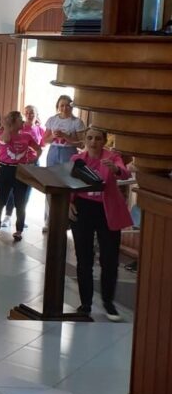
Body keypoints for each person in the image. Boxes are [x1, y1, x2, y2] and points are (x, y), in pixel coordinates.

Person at [70, 126, 130, 321]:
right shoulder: (77, 160)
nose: (93, 142)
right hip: (83, 208)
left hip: (107, 210)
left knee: (110, 258)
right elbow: (68, 182)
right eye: (90, 138)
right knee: (84, 257)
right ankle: (85, 303)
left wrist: (116, 170)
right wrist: (68, 204)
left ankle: (108, 303)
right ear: (85, 140)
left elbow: (124, 173)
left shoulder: (112, 157)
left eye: (97, 138)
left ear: (104, 141)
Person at [0, 111, 42, 241]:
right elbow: (6, 140)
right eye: (20, 119)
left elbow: (38, 149)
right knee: (1, 200)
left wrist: (33, 160)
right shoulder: (3, 132)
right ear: (12, 121)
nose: (23, 122)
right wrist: (7, 126)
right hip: (4, 169)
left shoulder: (27, 135)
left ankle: (19, 230)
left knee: (20, 202)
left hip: (20, 171)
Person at [44, 95, 86, 167]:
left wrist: (65, 136)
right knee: (51, 175)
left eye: (67, 105)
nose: (64, 108)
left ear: (72, 106)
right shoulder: (52, 119)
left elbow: (82, 144)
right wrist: (53, 136)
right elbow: (45, 140)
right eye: (62, 105)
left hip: (69, 151)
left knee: (66, 176)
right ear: (58, 107)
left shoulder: (77, 122)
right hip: (53, 150)